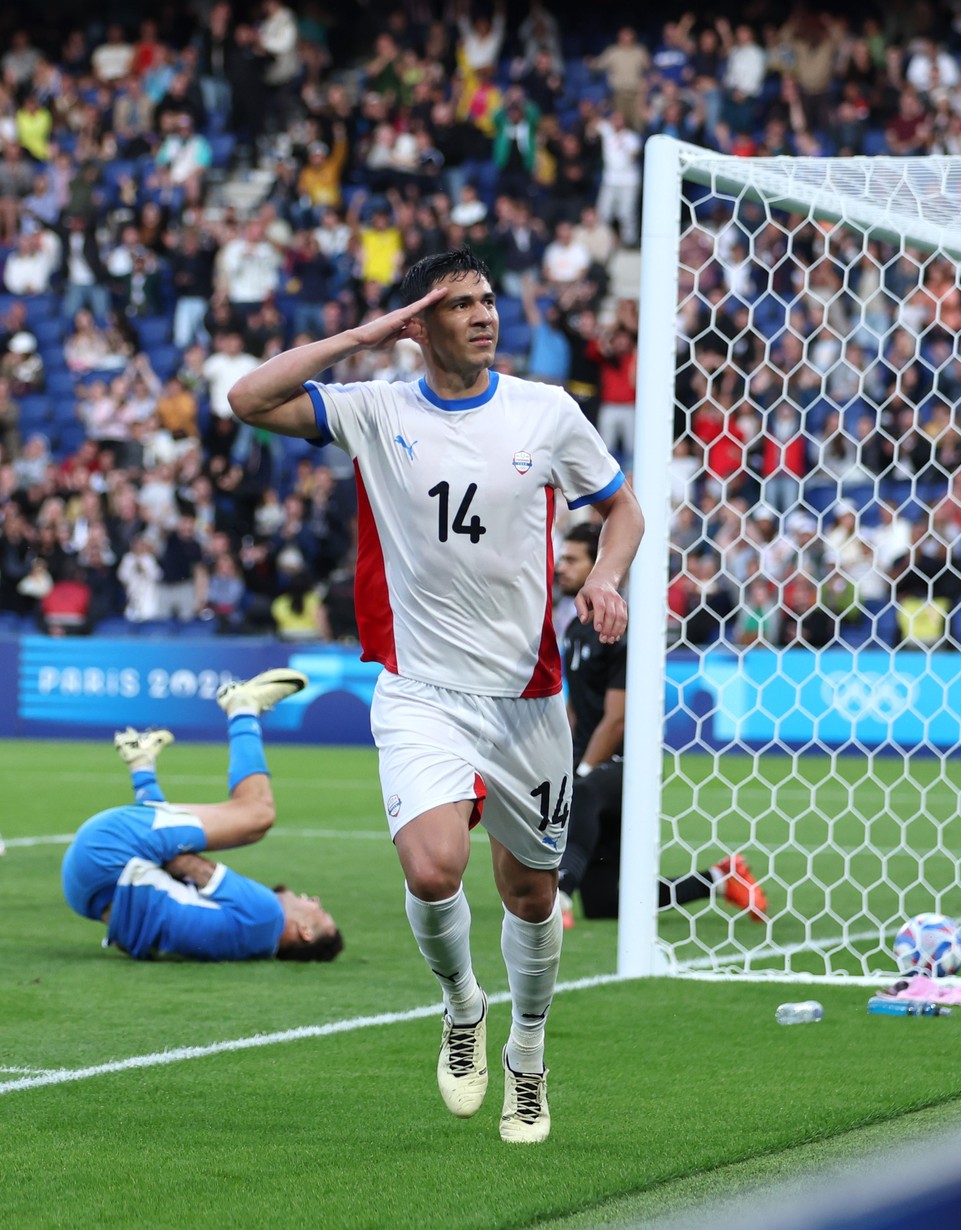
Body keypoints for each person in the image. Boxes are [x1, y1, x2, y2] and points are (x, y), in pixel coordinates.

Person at [227, 248, 644, 1144]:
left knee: (531, 895)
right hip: (422, 691)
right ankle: (463, 1006)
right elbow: (247, 399)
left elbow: (624, 508)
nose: (486, 316)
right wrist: (367, 336)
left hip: (528, 700)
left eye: (489, 300)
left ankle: (527, 1051)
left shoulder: (546, 410)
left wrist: (607, 578)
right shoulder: (378, 411)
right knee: (432, 868)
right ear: (421, 323)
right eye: (461, 305)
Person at [554, 523, 767, 927]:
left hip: (622, 764)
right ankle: (720, 878)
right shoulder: (575, 628)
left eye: (571, 560)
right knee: (607, 904)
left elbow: (618, 718)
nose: (560, 567)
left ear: (600, 565)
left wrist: (581, 771)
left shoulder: (621, 630)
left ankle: (559, 896)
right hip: (589, 761)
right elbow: (576, 707)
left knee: (583, 792)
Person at [61, 669, 343, 962]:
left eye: (319, 912)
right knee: (169, 849)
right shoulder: (245, 945)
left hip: (105, 849)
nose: (314, 901)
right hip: (84, 892)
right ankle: (141, 763)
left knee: (256, 816)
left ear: (305, 932)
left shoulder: (268, 916)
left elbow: (189, 865)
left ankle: (243, 707)